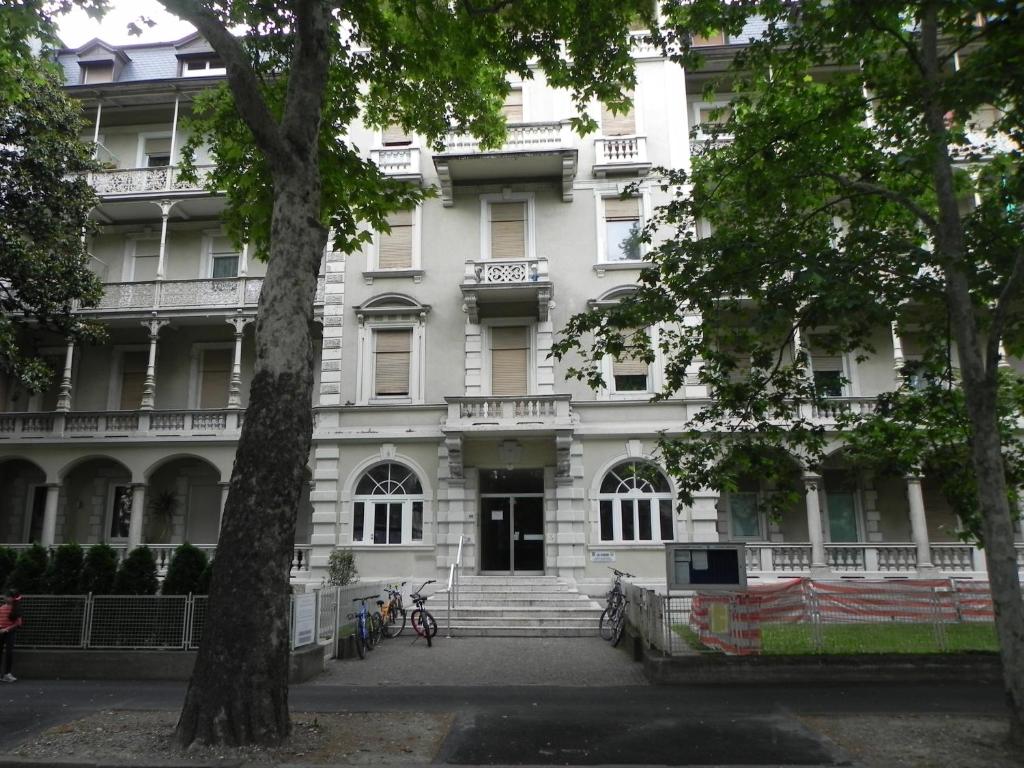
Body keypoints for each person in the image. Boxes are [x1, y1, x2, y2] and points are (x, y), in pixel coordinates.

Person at [0, 589, 23, 682]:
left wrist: (7, 629)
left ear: (12, 598)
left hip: (10, 633)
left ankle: (7, 674)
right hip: (1, 632)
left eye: (7, 596)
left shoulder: (16, 608)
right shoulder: (1, 608)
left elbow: (18, 623)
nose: (4, 597)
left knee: (9, 653)